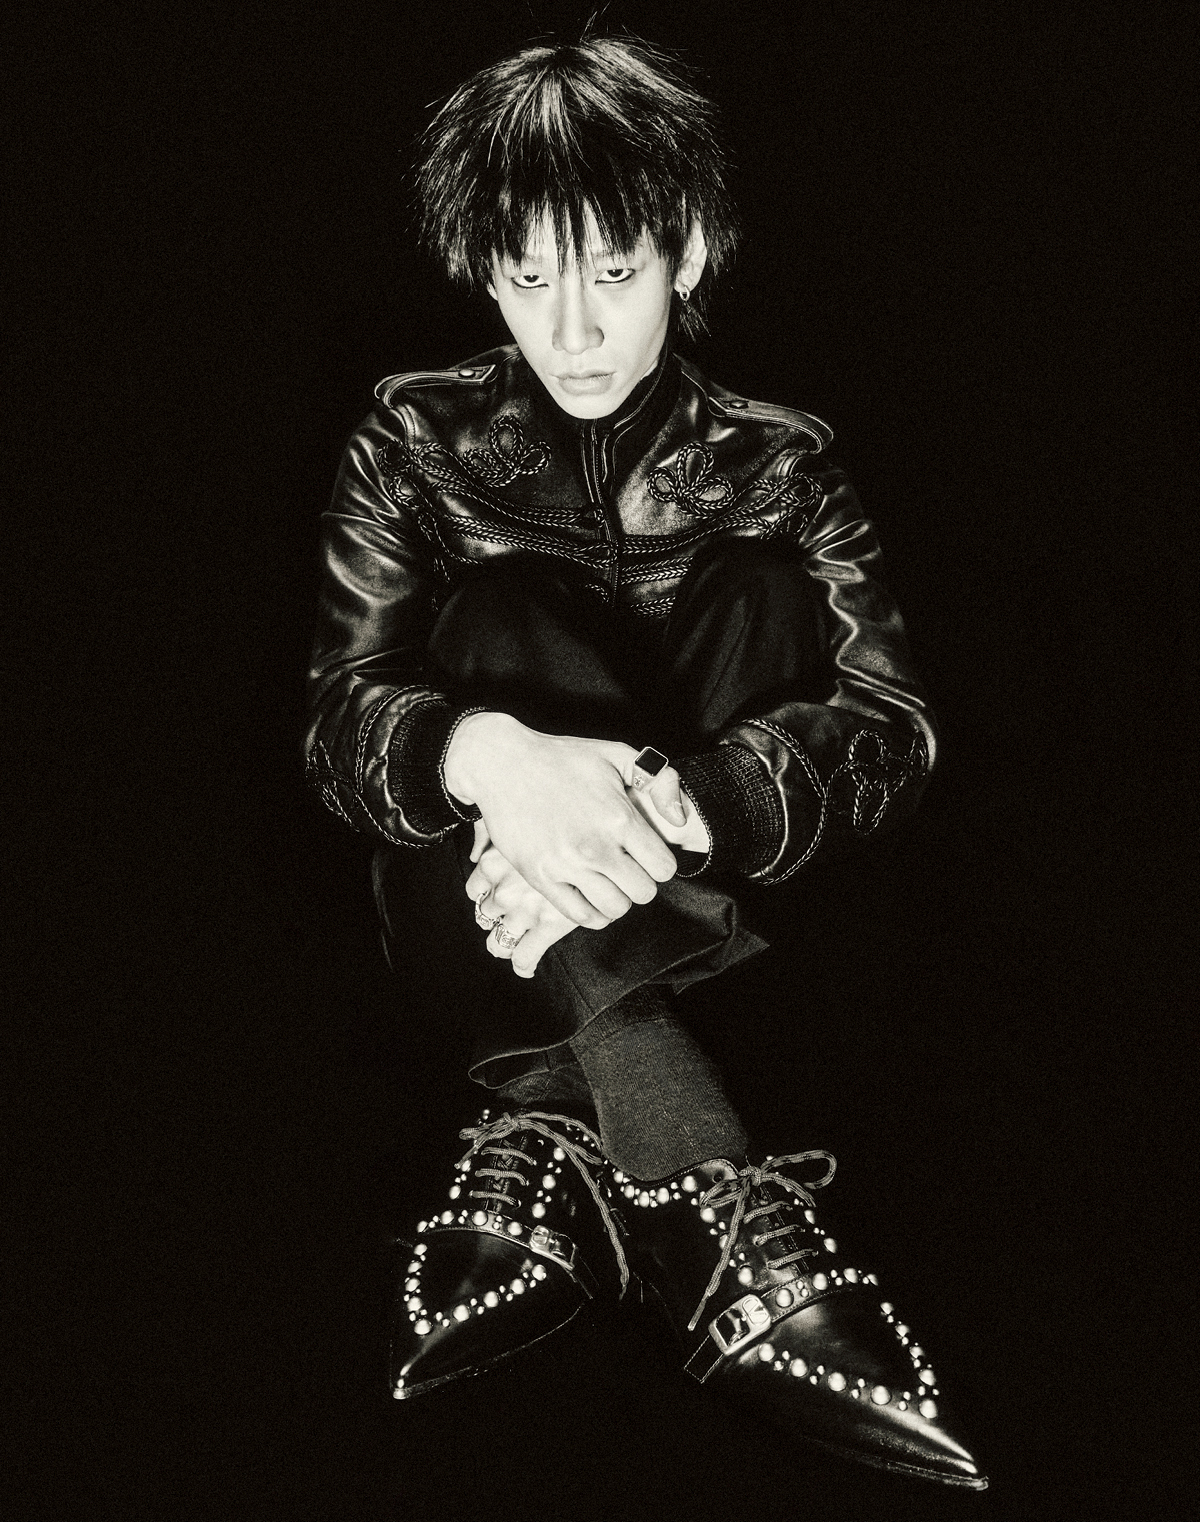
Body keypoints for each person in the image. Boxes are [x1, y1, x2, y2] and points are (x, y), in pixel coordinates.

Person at [305, 33, 986, 1490]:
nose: (573, 330)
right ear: (485, 274)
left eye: (613, 271)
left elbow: (895, 727)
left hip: (735, 923)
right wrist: (496, 758)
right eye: (529, 277)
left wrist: (680, 805)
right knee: (496, 618)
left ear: (685, 253)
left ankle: (557, 1128)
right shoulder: (411, 439)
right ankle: (704, 1172)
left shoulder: (783, 464)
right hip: (468, 920)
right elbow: (341, 720)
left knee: (760, 591)